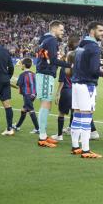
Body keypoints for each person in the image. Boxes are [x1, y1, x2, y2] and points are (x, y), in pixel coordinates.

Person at [70, 22, 103, 158]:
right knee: (87, 116)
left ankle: (75, 146)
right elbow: (93, 69)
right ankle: (86, 150)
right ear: (92, 31)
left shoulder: (81, 44)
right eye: (100, 30)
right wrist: (102, 73)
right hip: (86, 85)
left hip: (75, 83)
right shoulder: (94, 47)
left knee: (77, 115)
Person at [35, 20, 72, 148]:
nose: (63, 32)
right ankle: (42, 137)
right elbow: (53, 60)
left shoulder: (45, 39)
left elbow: (49, 58)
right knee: (45, 103)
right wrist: (70, 64)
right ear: (54, 29)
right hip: (45, 74)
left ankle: (44, 135)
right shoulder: (51, 40)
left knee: (47, 104)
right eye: (61, 30)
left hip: (45, 73)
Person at [52, 35, 80, 141]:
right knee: (74, 112)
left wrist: (58, 93)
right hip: (76, 91)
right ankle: (74, 134)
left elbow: (61, 81)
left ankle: (59, 135)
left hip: (66, 91)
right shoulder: (78, 67)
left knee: (61, 113)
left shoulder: (64, 67)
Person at [11, 58, 39, 133]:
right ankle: (17, 126)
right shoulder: (33, 74)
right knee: (24, 110)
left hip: (27, 95)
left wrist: (9, 84)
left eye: (21, 64)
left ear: (23, 65)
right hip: (33, 95)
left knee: (30, 110)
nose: (20, 65)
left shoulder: (22, 75)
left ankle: (37, 128)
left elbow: (18, 86)